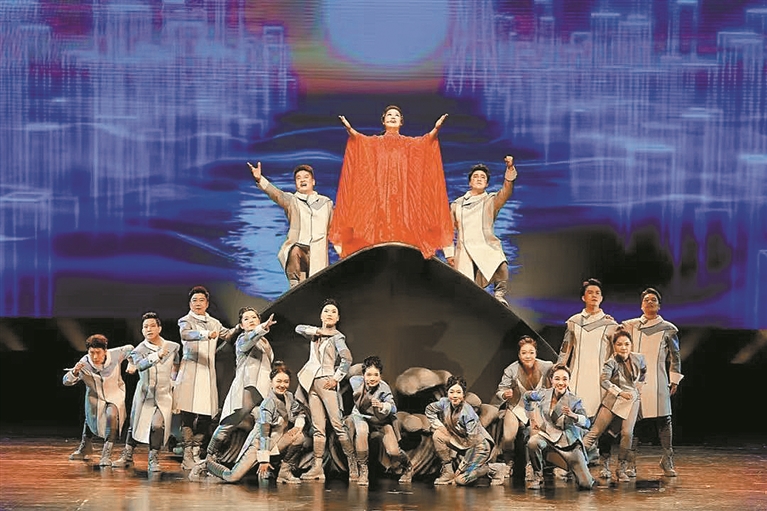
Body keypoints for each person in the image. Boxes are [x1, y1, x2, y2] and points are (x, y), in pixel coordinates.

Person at [330, 106, 453, 259]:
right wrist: (349, 129)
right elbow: (359, 140)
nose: (393, 117)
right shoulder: (374, 142)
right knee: (376, 219)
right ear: (383, 121)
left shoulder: (410, 144)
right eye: (389, 115)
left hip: (403, 197)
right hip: (380, 195)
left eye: (396, 115)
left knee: (405, 219)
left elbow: (426, 141)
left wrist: (436, 129)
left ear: (401, 122)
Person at [200, 363, 308, 484]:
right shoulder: (268, 404)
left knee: (299, 437)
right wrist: (264, 459)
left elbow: (299, 412)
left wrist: (298, 426)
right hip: (259, 444)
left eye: (286, 382)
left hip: (277, 441)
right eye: (278, 381)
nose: (282, 385)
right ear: (271, 382)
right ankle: (208, 464)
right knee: (232, 477)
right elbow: (264, 434)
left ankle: (284, 473)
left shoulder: (289, 397)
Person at [175, 285, 242, 469]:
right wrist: (205, 334)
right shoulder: (185, 320)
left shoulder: (214, 322)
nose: (198, 303)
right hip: (190, 372)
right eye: (194, 300)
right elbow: (185, 334)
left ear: (207, 303)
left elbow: (228, 335)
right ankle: (187, 455)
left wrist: (240, 327)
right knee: (188, 413)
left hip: (207, 373)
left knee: (206, 414)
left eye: (201, 300)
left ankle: (197, 449)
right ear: (190, 303)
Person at [621, 288, 683, 477]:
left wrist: (674, 379)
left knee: (664, 419)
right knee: (634, 421)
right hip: (635, 381)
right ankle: (630, 462)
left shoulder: (668, 328)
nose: (649, 302)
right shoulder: (630, 326)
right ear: (641, 305)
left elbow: (675, 356)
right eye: (646, 300)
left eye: (653, 300)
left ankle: (667, 459)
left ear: (659, 305)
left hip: (659, 380)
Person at [294, 298, 355, 481]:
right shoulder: (315, 334)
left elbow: (347, 359)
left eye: (333, 312)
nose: (329, 314)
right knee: (318, 427)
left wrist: (336, 378)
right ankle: (317, 467)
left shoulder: (338, 337)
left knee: (338, 425)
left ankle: (353, 465)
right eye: (326, 311)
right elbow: (298, 328)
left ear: (338, 318)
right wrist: (318, 331)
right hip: (311, 382)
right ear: (321, 315)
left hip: (327, 381)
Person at [247, 161, 335, 287]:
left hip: (317, 252)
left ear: (313, 182)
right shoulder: (292, 201)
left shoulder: (326, 203)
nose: (302, 180)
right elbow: (276, 194)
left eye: (306, 177)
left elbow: (335, 226)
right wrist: (260, 179)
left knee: (315, 282)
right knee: (295, 251)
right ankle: (295, 286)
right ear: (295, 184)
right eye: (298, 178)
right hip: (299, 250)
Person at [444, 156, 518, 305]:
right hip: (465, 251)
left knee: (501, 263)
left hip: (485, 245)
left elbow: (506, 191)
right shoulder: (457, 204)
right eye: (475, 176)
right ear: (470, 182)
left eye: (483, 177)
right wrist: (449, 253)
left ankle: (499, 295)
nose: (479, 179)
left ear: (487, 183)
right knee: (468, 288)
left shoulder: (491, 201)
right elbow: (448, 230)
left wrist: (510, 169)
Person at [207, 307, 277, 461]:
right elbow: (249, 341)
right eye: (246, 319)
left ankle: (262, 460)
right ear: (242, 325)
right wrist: (261, 328)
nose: (251, 320)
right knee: (229, 423)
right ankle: (210, 455)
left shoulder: (265, 342)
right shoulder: (242, 339)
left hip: (264, 388)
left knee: (266, 425)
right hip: (248, 387)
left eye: (254, 317)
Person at [118, 312, 180, 474]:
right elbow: (140, 366)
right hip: (145, 394)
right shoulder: (138, 350)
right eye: (145, 327)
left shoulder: (173, 346)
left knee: (157, 425)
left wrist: (174, 382)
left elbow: (176, 364)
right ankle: (127, 455)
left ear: (159, 328)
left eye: (152, 326)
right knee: (135, 423)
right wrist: (156, 356)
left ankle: (153, 458)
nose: (149, 329)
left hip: (164, 394)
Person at [582, 328, 647, 481]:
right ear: (614, 346)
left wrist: (638, 389)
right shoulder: (611, 362)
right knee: (597, 433)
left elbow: (643, 372)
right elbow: (604, 381)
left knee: (627, 433)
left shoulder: (639, 358)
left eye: (626, 344)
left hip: (631, 401)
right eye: (619, 344)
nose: (623, 348)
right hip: (613, 400)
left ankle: (621, 468)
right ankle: (576, 462)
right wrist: (619, 392)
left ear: (631, 345)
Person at [63, 334, 134, 467]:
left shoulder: (115, 354)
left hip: (115, 394)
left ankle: (106, 454)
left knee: (111, 417)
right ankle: (85, 447)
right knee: (91, 419)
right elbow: (66, 381)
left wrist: (131, 363)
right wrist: (75, 372)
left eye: (98, 352)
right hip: (95, 396)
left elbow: (130, 349)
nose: (95, 357)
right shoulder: (84, 362)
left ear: (105, 351)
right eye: (92, 353)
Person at [524, 364, 594, 490]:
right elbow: (526, 396)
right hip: (547, 437)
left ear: (569, 381)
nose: (561, 383)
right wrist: (532, 418)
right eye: (557, 379)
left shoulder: (574, 401)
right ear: (551, 380)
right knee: (533, 442)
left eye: (564, 379)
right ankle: (538, 476)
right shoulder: (543, 394)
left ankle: (572, 470)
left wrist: (574, 416)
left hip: (568, 444)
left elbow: (587, 423)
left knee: (586, 484)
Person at [348, 355, 413, 486]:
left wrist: (382, 405)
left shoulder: (384, 388)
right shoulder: (356, 382)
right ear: (363, 375)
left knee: (393, 451)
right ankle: (363, 470)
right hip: (361, 416)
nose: (372, 378)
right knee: (362, 432)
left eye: (376, 375)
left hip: (380, 419)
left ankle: (408, 466)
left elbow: (393, 408)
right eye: (369, 374)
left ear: (380, 376)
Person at [495, 336, 553, 481]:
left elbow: (558, 375)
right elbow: (500, 390)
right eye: (524, 353)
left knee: (534, 436)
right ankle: (509, 462)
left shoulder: (546, 366)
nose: (528, 356)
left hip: (536, 407)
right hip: (517, 406)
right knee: (508, 436)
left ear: (536, 353)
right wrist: (504, 394)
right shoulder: (511, 370)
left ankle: (532, 466)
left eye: (531, 352)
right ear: (519, 355)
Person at [558, 278, 617, 419]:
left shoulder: (611, 325)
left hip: (600, 379)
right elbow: (565, 349)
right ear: (583, 297)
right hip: (577, 376)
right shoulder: (574, 322)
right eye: (590, 292)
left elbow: (616, 354)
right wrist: (559, 368)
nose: (594, 295)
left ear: (601, 298)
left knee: (597, 416)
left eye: (597, 293)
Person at [425, 376, 498, 486]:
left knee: (460, 480)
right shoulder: (445, 403)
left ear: (463, 394)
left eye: (458, 392)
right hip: (463, 442)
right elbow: (429, 410)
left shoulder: (467, 413)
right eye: (451, 392)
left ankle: (492, 469)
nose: (455, 396)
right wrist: (440, 427)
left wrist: (461, 467)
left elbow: (473, 442)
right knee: (438, 435)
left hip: (479, 447)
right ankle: (448, 472)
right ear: (447, 392)